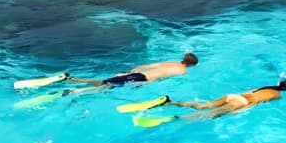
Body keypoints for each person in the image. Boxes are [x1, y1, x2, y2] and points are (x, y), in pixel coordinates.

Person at [133, 80, 286, 125]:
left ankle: (170, 103)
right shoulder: (277, 95)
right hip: (241, 102)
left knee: (205, 105)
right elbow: (261, 104)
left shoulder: (265, 86)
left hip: (233, 96)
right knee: (208, 115)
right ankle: (174, 119)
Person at [61, 53, 198, 94]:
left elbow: (151, 65)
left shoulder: (171, 61)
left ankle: (73, 81)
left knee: (106, 83)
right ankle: (74, 88)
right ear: (191, 64)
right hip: (141, 79)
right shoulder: (182, 71)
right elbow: (160, 78)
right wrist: (143, 85)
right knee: (105, 85)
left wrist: (134, 69)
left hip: (138, 73)